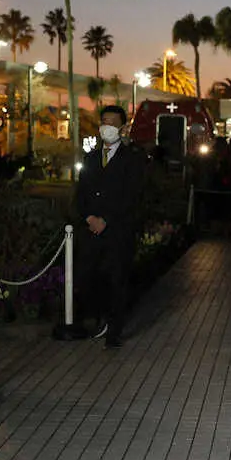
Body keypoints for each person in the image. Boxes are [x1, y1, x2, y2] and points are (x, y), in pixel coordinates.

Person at [76, 105, 146, 348]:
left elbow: (132, 196)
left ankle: (114, 331)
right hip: (92, 231)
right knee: (88, 277)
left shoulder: (133, 160)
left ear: (123, 127)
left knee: (117, 280)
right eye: (104, 121)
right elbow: (81, 193)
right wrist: (89, 217)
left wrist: (106, 220)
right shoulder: (91, 158)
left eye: (113, 122)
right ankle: (101, 317)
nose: (107, 126)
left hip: (118, 231)